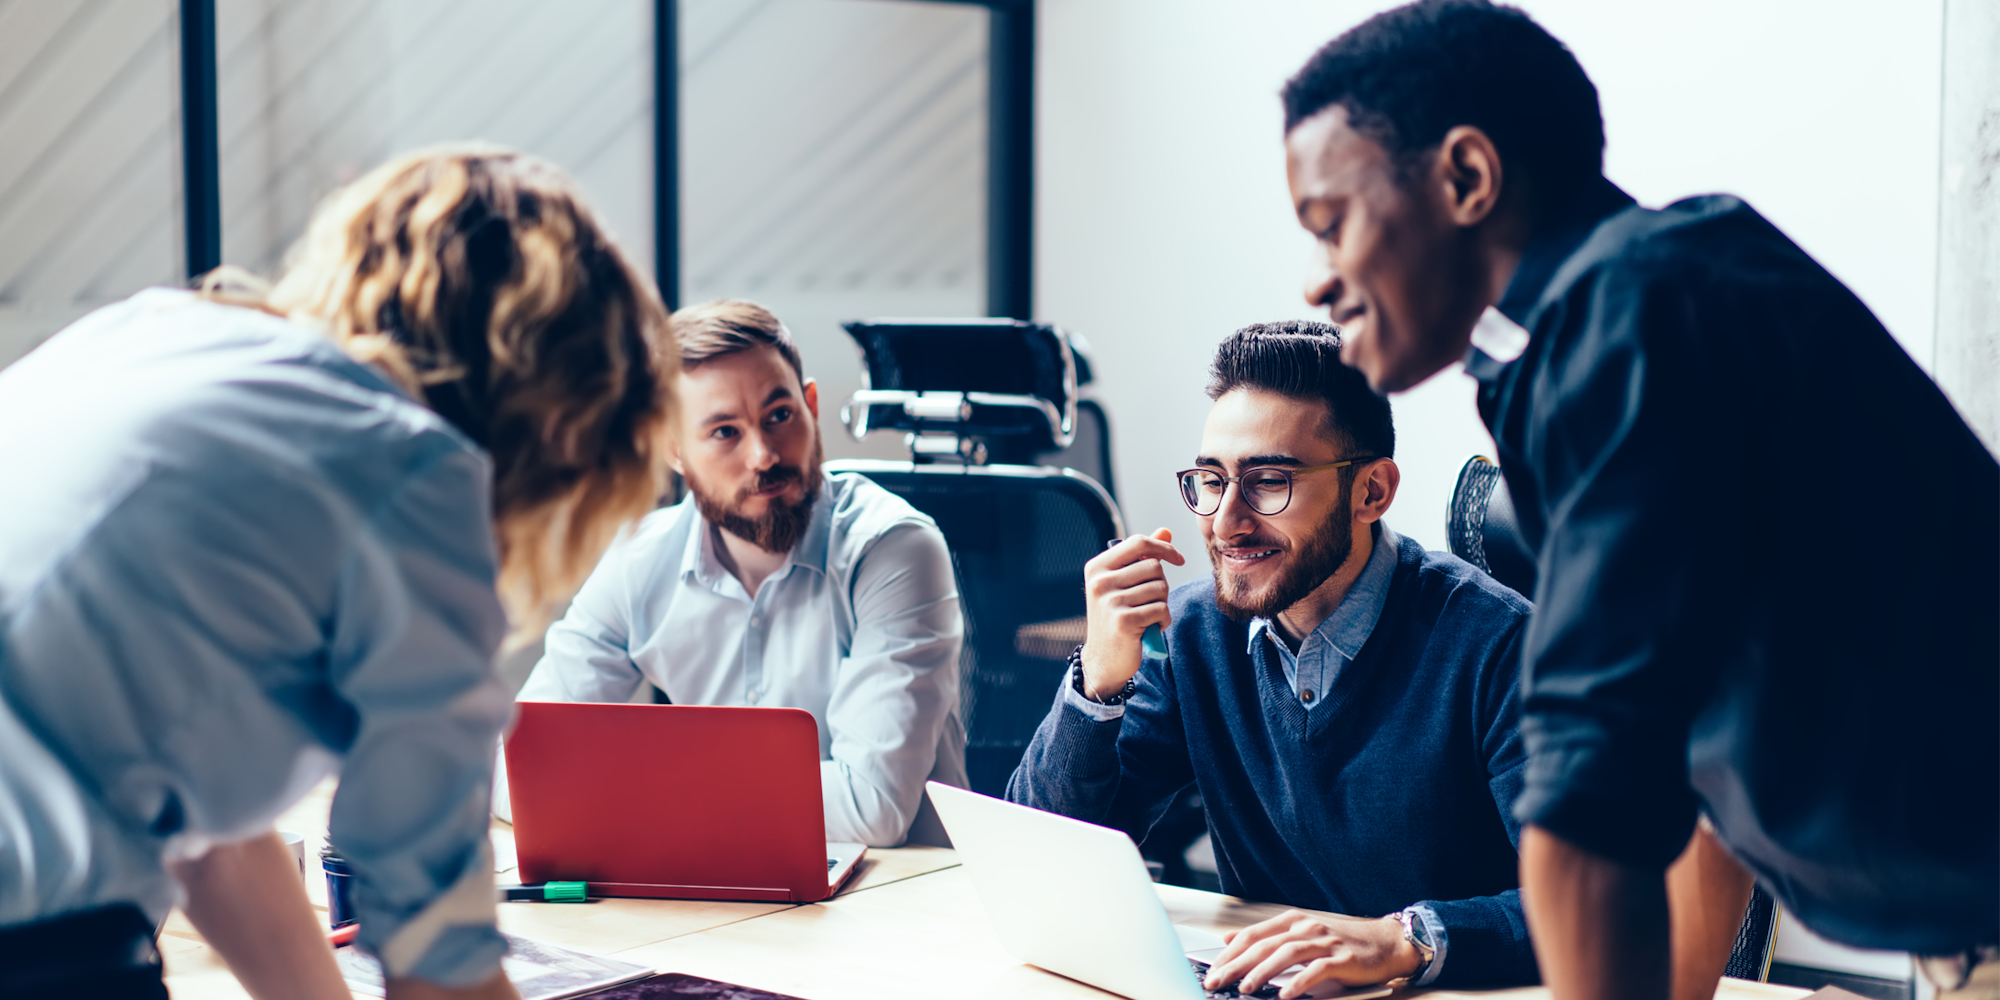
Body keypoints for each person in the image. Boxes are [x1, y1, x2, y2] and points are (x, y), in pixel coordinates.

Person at [1278, 3, 2000, 1000]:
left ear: (1465, 178)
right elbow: (1683, 751)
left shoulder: (1636, 318)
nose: (1316, 282)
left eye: (1330, 225)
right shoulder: (1592, 328)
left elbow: (1587, 796)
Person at [0, 146, 673, 1000]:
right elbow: (436, 956)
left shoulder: (146, 334)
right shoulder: (419, 473)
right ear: (557, 423)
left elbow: (211, 836)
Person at [1008, 322, 1537, 995]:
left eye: (1268, 482)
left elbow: (1602, 902)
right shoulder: (1196, 634)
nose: (1226, 520)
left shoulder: (1500, 648)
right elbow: (1046, 866)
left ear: (1371, 492)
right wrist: (1098, 683)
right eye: (1210, 480)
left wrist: (1405, 939)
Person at [508, 299, 967, 848]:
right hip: (717, 892)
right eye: (725, 432)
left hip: (893, 900)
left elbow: (872, 808)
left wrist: (640, 787)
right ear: (673, 450)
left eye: (779, 415)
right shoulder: (638, 564)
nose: (764, 455)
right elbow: (518, 771)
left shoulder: (893, 549)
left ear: (811, 405)